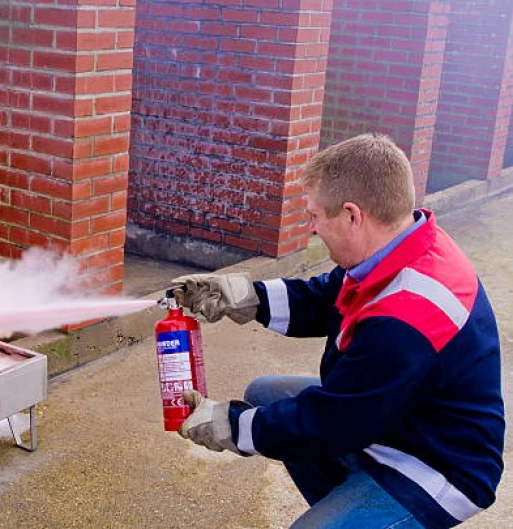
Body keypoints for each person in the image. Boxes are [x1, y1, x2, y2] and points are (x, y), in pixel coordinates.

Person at [172, 133, 504, 529]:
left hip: (438, 464)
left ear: (352, 215)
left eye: (314, 216)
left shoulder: (405, 319)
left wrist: (232, 425)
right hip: (399, 419)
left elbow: (332, 422)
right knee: (267, 393)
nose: (311, 228)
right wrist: (245, 297)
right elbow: (326, 296)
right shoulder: (404, 247)